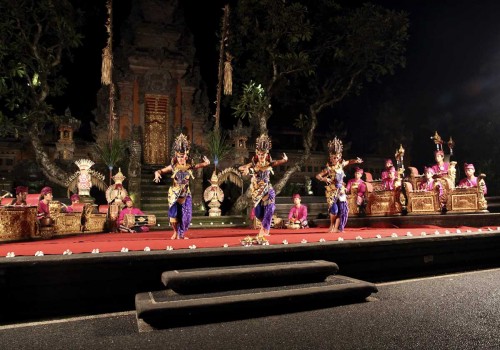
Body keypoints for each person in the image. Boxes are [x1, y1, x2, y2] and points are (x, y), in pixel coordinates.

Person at [153, 133, 210, 239]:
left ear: (186, 156)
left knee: (186, 217)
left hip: (185, 194)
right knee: (174, 216)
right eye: (178, 157)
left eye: (182, 157)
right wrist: (157, 173)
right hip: (174, 194)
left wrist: (206, 163)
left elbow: (198, 165)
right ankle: (175, 232)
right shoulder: (173, 167)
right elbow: (161, 170)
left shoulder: (189, 166)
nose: (180, 159)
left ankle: (181, 234)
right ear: (176, 156)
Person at [239, 134, 288, 238]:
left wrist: (284, 160)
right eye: (260, 154)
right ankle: (264, 227)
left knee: (269, 209)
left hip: (267, 189)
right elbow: (244, 167)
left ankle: (264, 230)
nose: (262, 156)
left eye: (264, 154)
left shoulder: (268, 163)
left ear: (267, 154)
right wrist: (247, 168)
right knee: (258, 213)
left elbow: (275, 163)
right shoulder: (254, 162)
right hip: (256, 190)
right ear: (257, 153)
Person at [315, 137, 363, 233]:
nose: (336, 159)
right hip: (332, 191)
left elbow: (349, 161)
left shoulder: (341, 165)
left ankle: (339, 228)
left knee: (343, 210)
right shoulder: (329, 168)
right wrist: (325, 178)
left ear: (339, 157)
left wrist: (356, 161)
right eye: (334, 157)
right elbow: (318, 176)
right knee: (334, 210)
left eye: (337, 157)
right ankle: (331, 226)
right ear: (330, 158)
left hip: (341, 190)